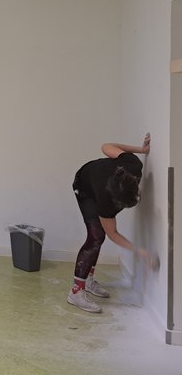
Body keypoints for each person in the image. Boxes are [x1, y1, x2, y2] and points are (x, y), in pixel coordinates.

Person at [68, 133, 153, 312]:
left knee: (99, 236)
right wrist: (140, 251)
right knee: (96, 236)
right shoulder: (106, 200)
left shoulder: (132, 164)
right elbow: (113, 233)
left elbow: (106, 146)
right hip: (84, 187)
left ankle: (88, 280)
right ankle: (76, 292)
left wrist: (142, 150)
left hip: (97, 178)